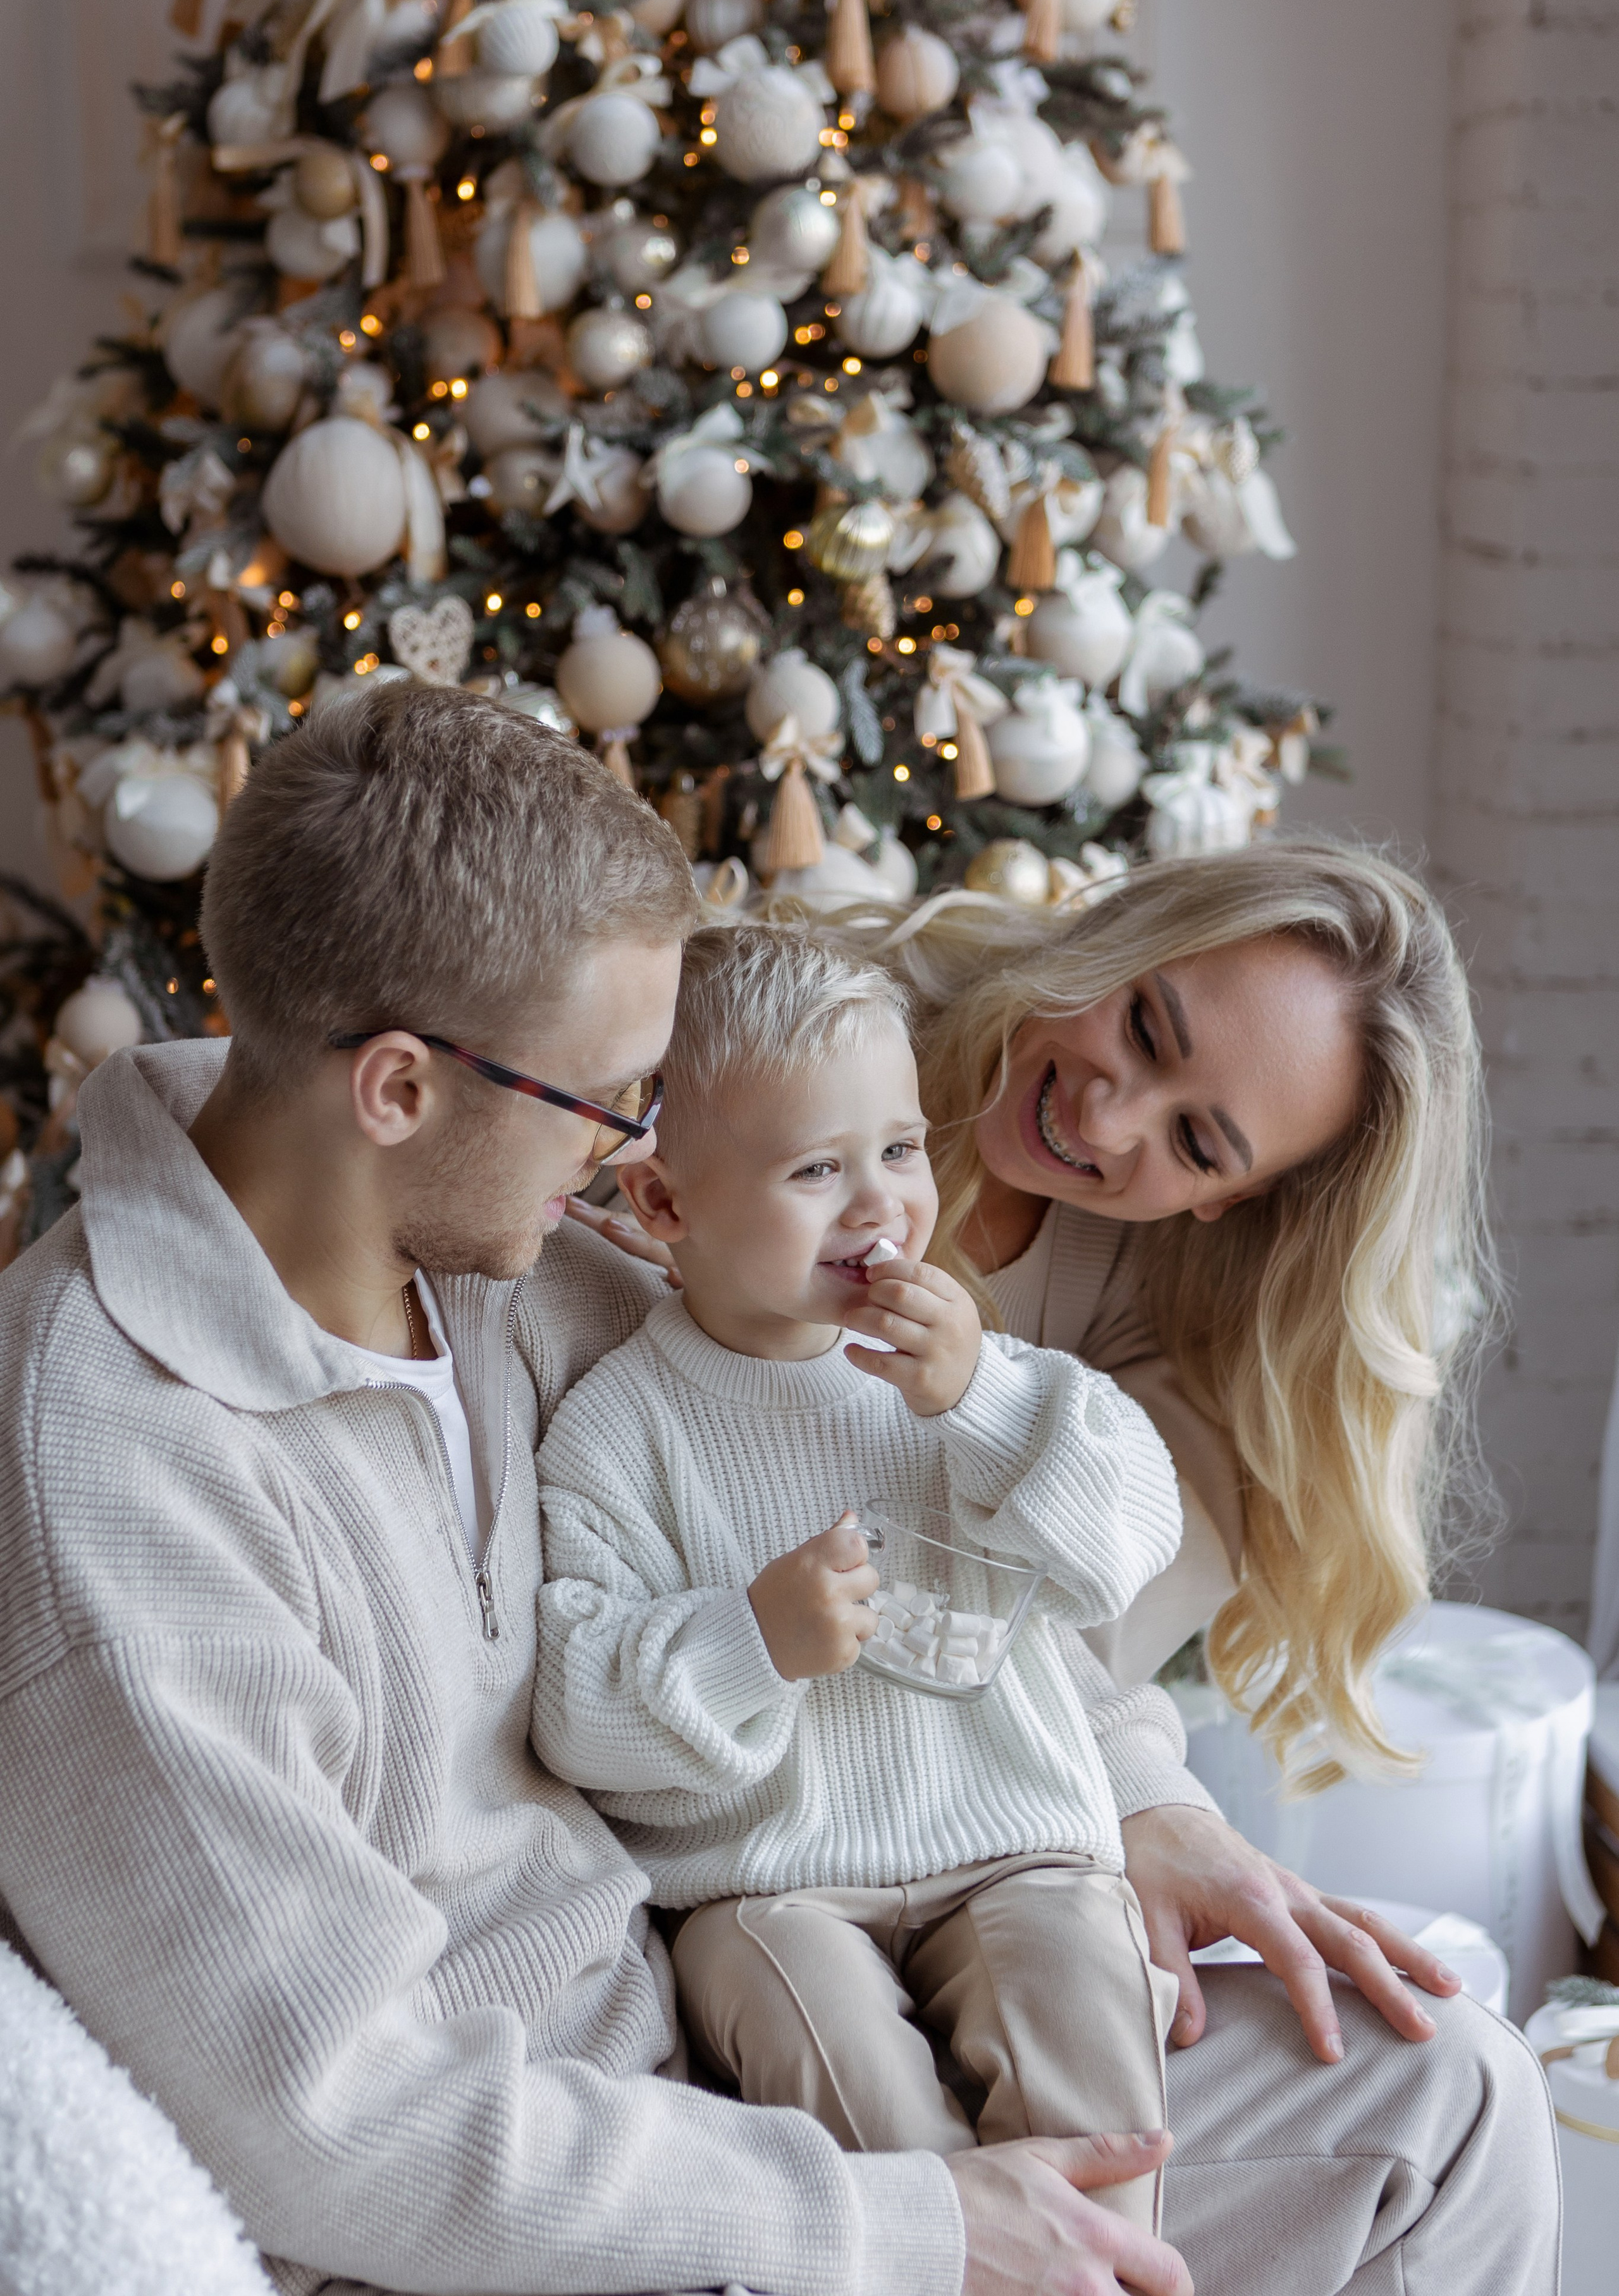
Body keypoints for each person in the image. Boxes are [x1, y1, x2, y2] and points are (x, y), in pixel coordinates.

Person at [0, 688, 1187, 2296]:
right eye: (605, 1097)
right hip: (593, 2202)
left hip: (760, 2033)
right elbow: (335, 2127)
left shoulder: (511, 1253)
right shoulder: (113, 1479)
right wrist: (906, 2225)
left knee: (1442, 2096)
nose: (639, 1154)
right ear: (402, 1090)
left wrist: (1141, 1802)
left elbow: (862, 1472)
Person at [574, 842, 1563, 2294]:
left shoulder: (1162, 1351)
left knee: (1446, 2080)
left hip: (978, 1827)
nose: (1106, 1113)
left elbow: (1065, 1626)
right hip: (752, 1867)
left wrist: (1142, 1802)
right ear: (1123, 929)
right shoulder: (795, 1052)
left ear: (1233, 1201)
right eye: (1145, 1026)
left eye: (1199, 1142)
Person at [534, 925, 1186, 2225]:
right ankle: (939, 2247)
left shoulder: (967, 1378)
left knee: (1081, 2023)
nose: (882, 1204)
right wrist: (747, 1640)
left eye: (897, 1150)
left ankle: (1096, 2264)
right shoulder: (621, 1428)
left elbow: (1125, 1545)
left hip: (1010, 1851)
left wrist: (985, 1405)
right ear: (664, 1206)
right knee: (818, 2045)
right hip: (765, 1886)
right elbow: (574, 1708)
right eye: (816, 1170)